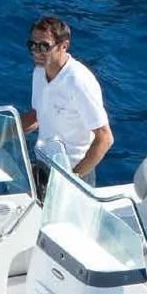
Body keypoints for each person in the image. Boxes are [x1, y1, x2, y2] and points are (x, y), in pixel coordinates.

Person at [19, 15, 112, 189]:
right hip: (44, 166)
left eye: (44, 46)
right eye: (32, 45)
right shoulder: (40, 71)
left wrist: (72, 179)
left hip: (73, 175)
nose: (37, 52)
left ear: (64, 46)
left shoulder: (78, 81)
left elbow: (105, 138)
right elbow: (36, 116)